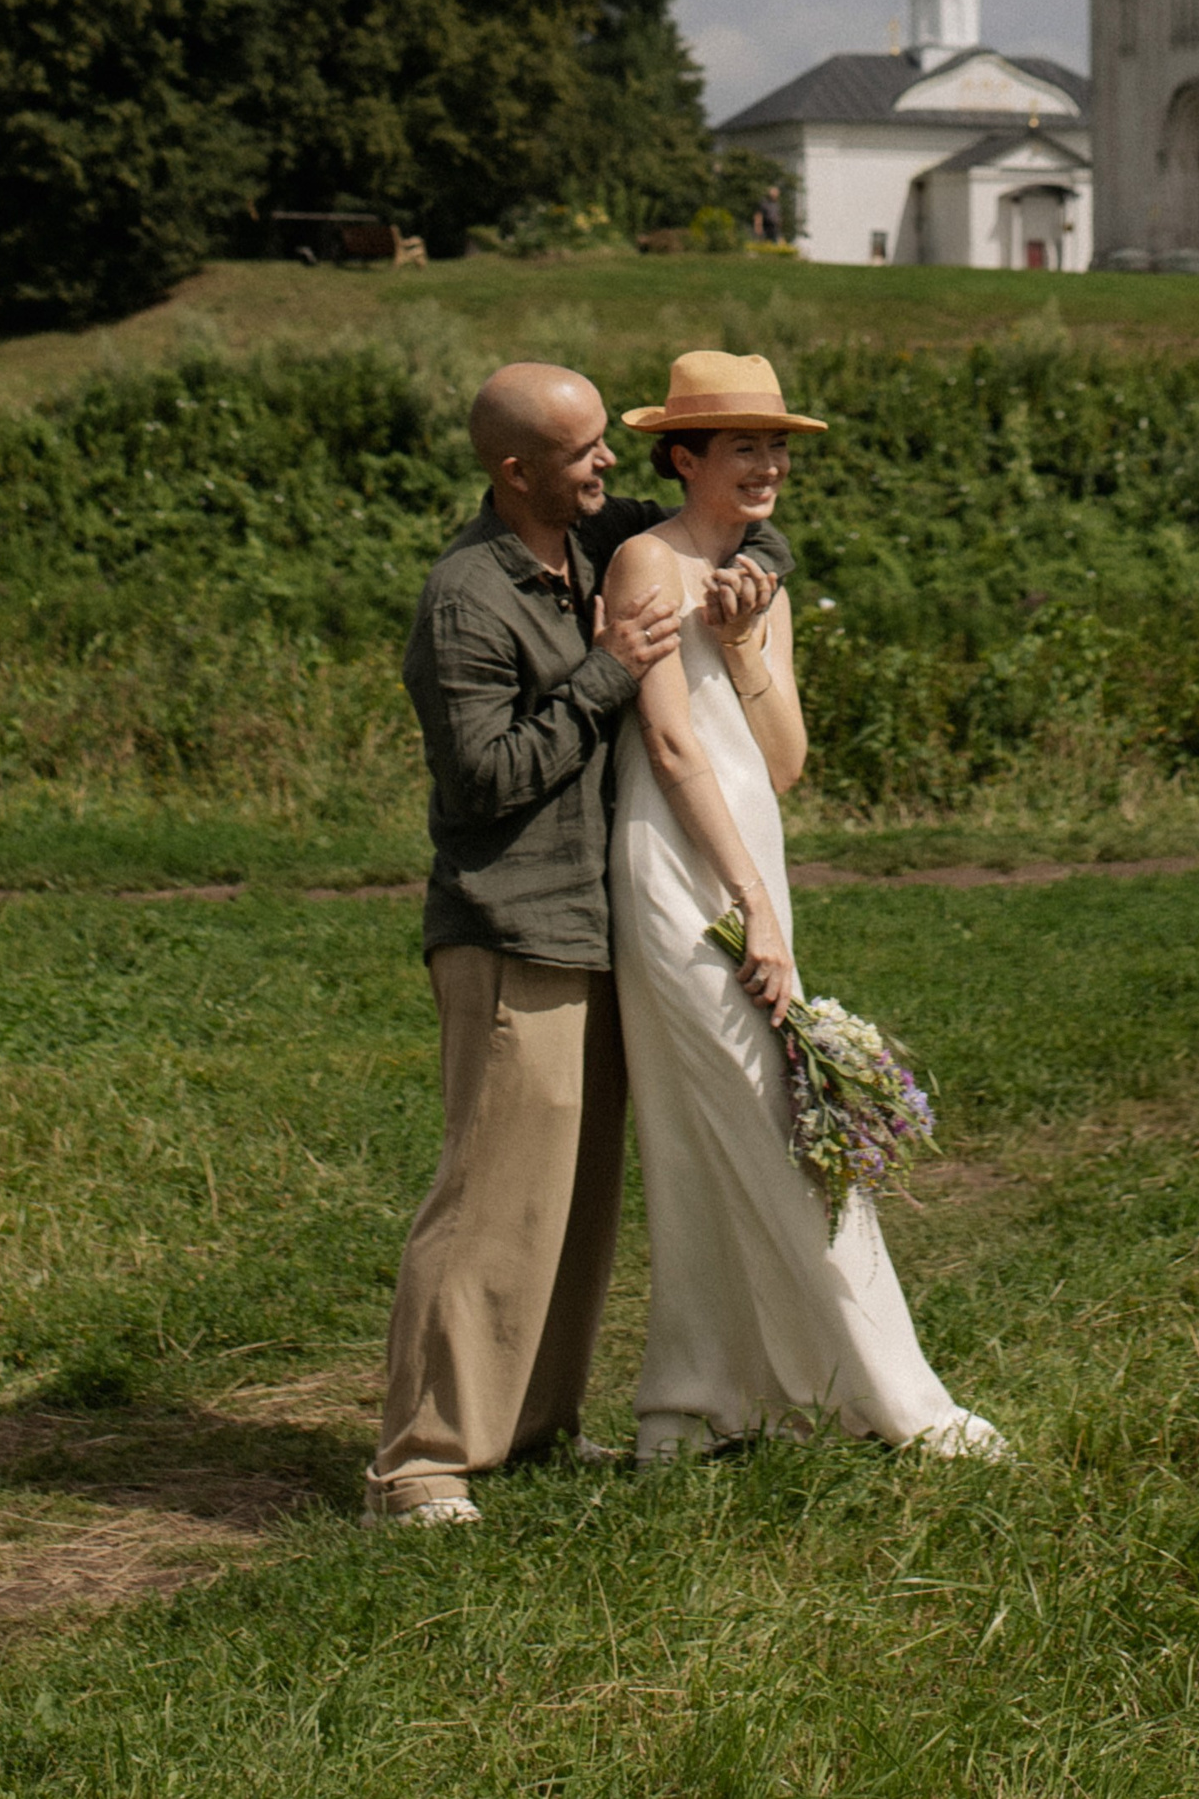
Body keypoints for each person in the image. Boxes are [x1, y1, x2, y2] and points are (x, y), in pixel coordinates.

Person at [366, 358, 790, 1526]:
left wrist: (751, 578)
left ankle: (537, 1429)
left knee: (575, 1197)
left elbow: (736, 523)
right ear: (516, 470)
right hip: (511, 925)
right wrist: (612, 670)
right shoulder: (468, 596)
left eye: (609, 440)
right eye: (585, 448)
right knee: (489, 1196)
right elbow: (484, 777)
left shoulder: (596, 546)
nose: (611, 462)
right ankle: (424, 1461)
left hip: (602, 922)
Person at [602, 349, 1004, 1464]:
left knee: (732, 1125)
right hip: (680, 867)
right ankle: (896, 1402)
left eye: (776, 444)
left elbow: (782, 761)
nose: (770, 463)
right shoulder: (645, 558)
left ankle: (696, 1410)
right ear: (682, 457)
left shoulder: (757, 577)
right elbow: (673, 742)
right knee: (765, 1123)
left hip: (749, 847)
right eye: (743, 446)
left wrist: (740, 640)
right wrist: (754, 912)